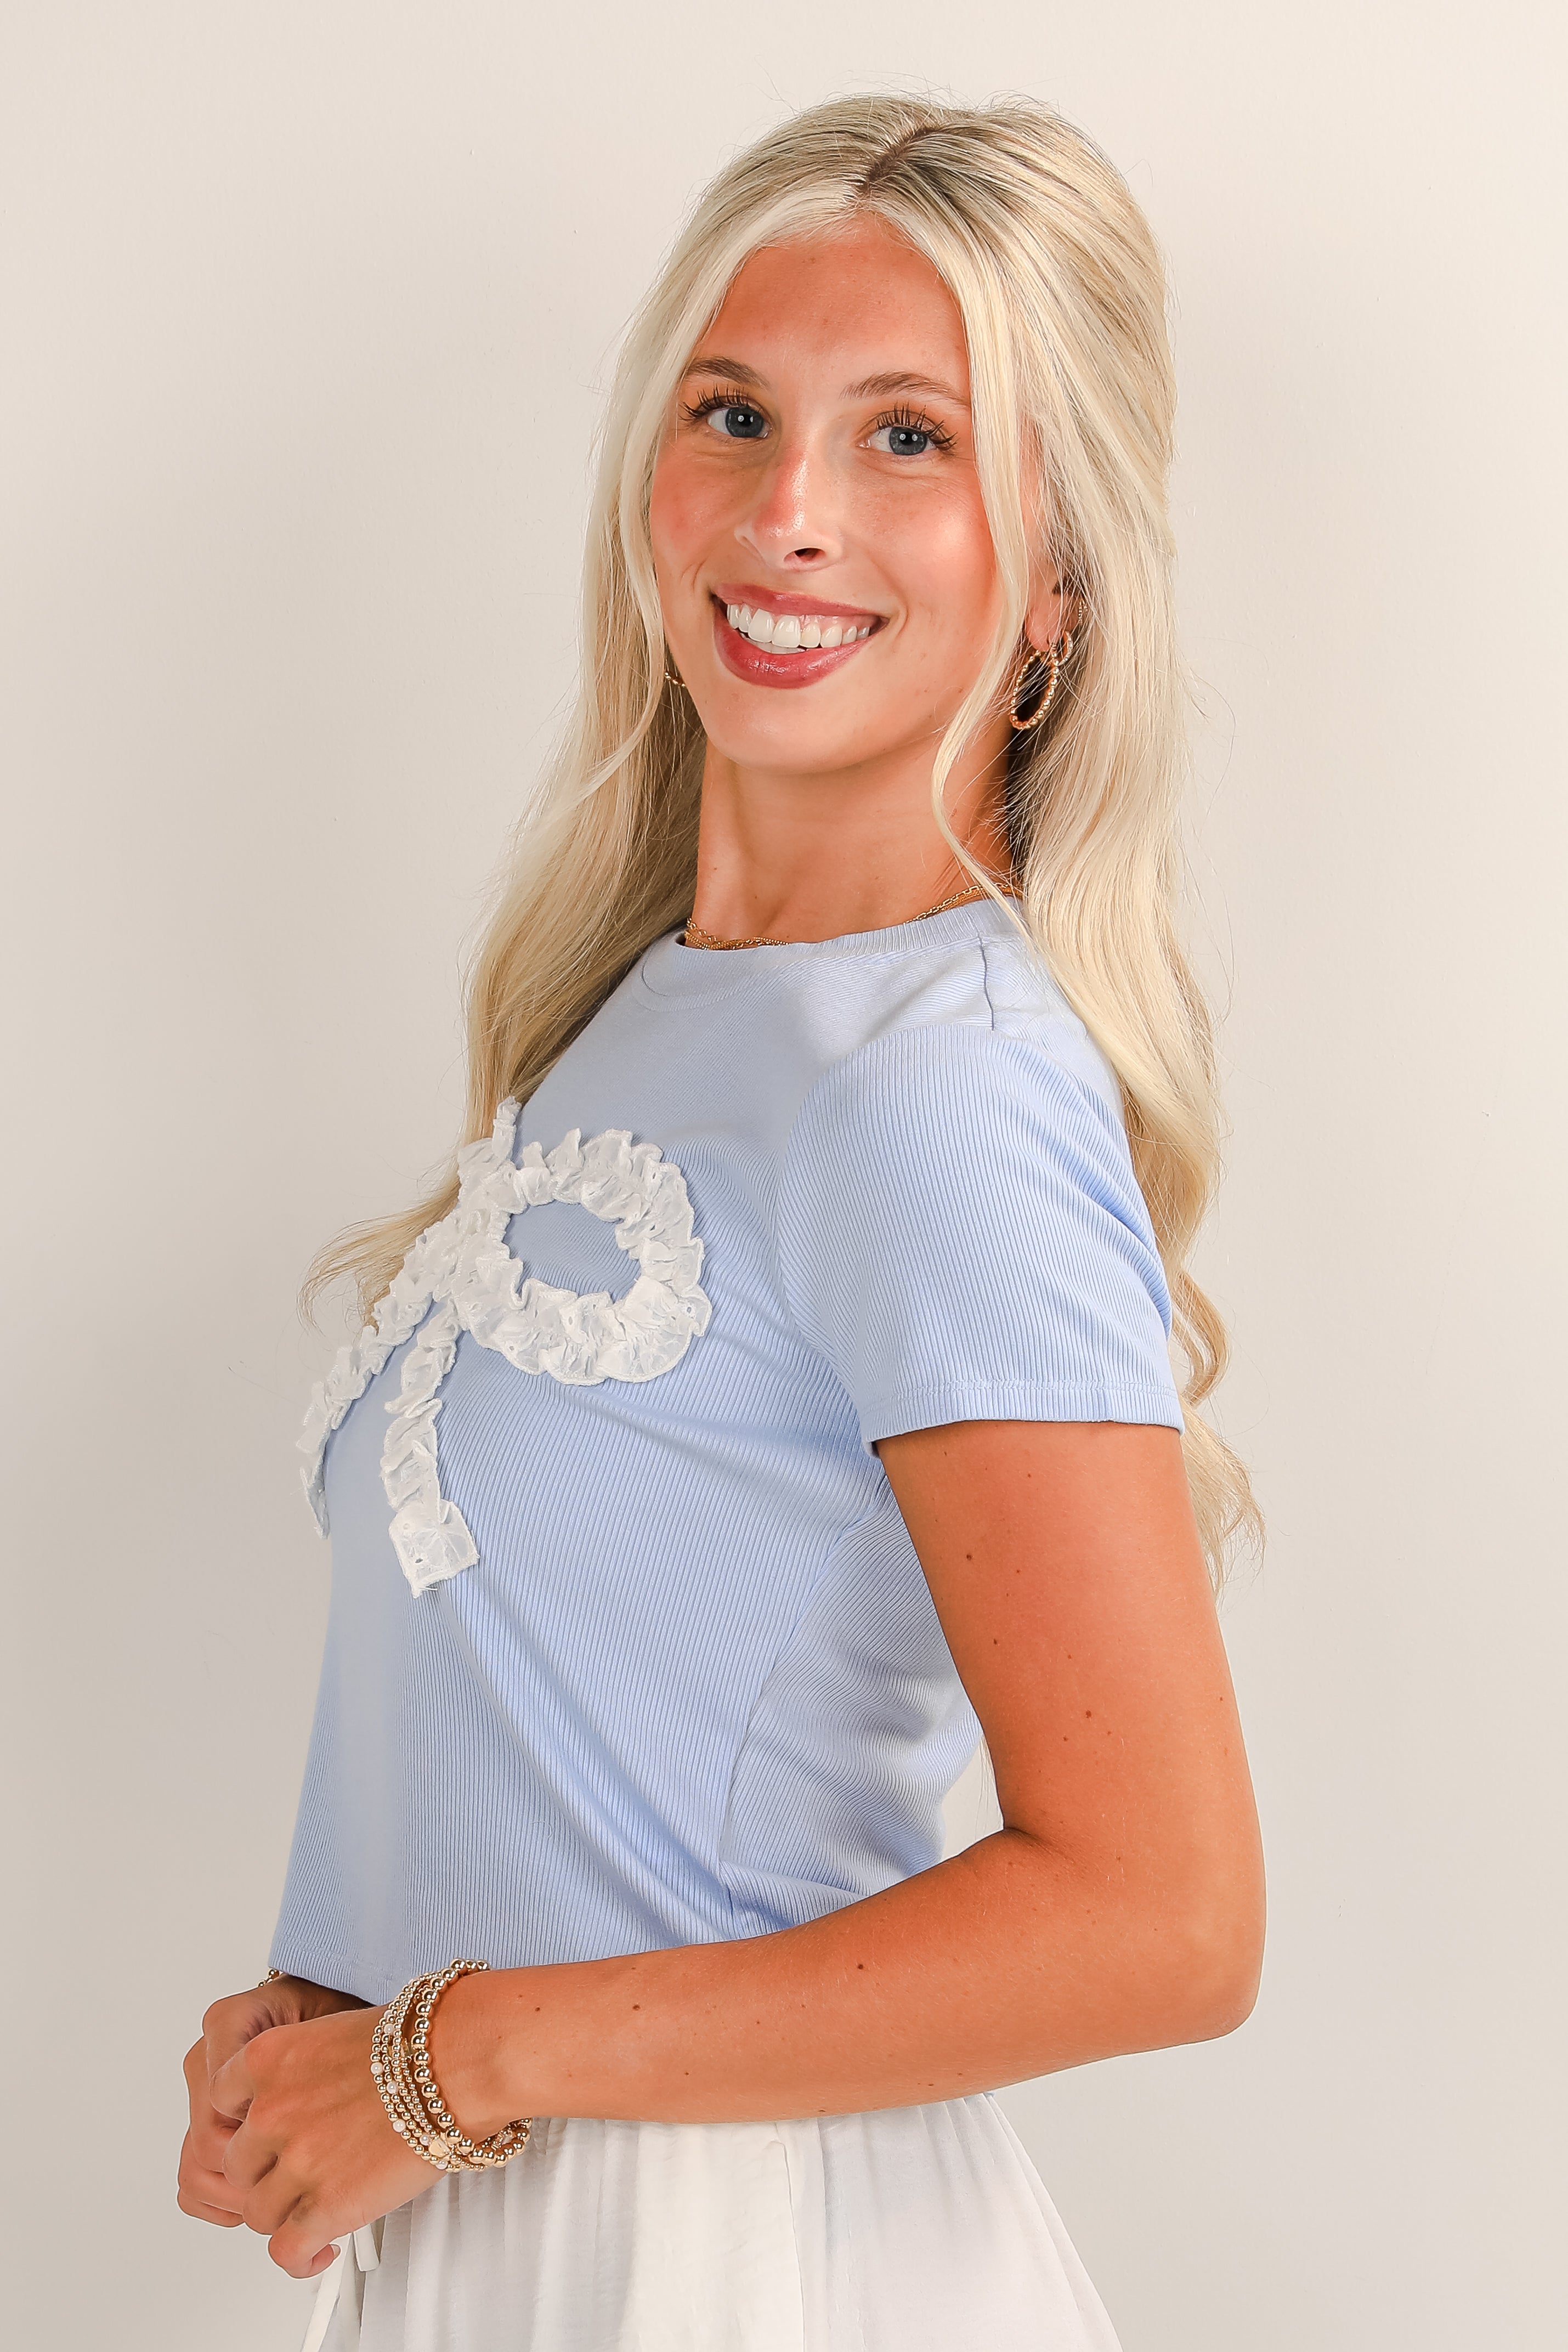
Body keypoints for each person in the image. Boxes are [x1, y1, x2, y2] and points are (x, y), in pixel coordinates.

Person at [177, 93, 1265, 2352]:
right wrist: (329, 2011)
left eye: (909, 442)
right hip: (511, 2230)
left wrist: (451, 2056)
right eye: (737, 412)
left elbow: (1167, 1912)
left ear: (1055, 578)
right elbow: (597, 1731)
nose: (789, 512)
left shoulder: (932, 1088)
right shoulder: (637, 1015)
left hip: (743, 2271)